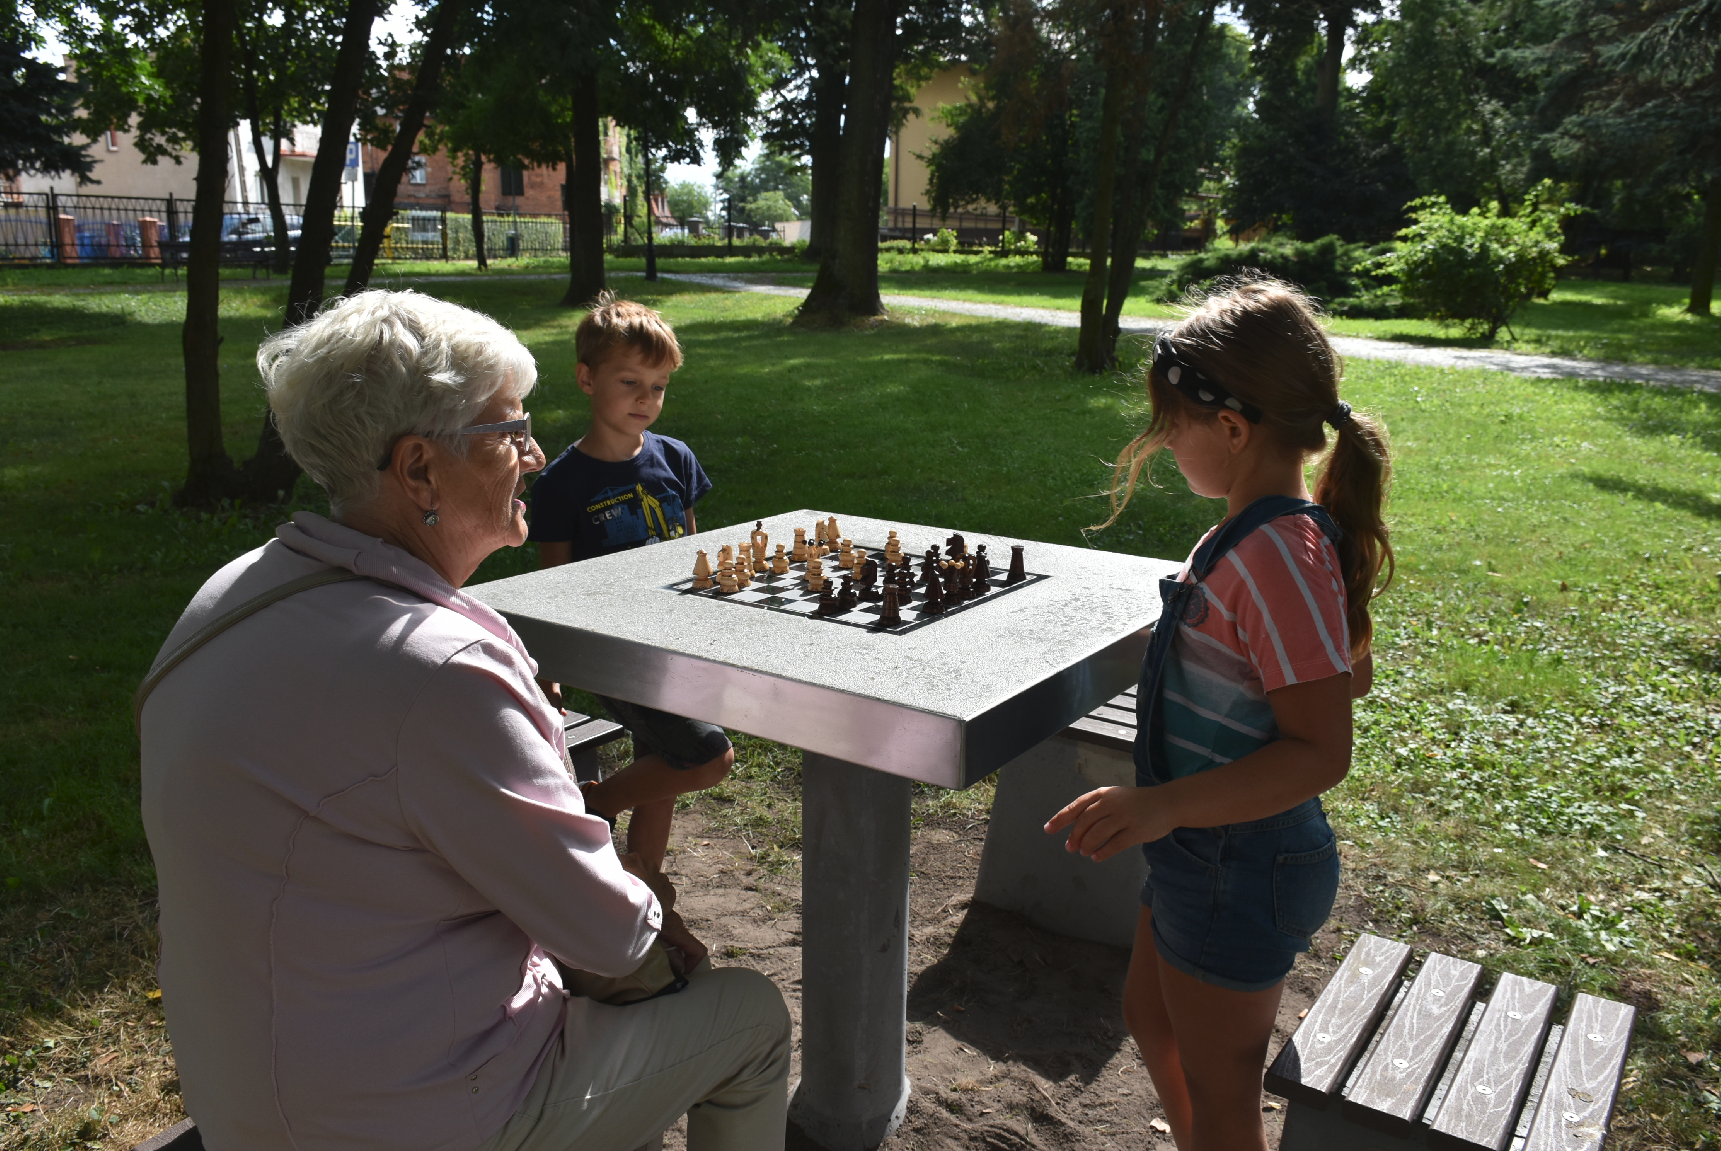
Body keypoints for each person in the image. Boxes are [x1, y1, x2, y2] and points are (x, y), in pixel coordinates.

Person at [138, 290, 790, 1151]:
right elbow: (608, 931)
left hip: (250, 1090)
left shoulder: (228, 596)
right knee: (748, 1016)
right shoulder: (439, 669)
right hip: (406, 1115)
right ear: (418, 470)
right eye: (510, 430)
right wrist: (648, 891)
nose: (533, 453)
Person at [1045, 279, 1394, 1151]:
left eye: (1172, 428)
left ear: (1231, 429)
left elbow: (1320, 747)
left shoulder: (1276, 550)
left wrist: (1158, 803)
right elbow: (1341, 675)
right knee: (1146, 1013)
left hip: (1241, 860)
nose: (1164, 445)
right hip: (1203, 844)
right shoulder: (1275, 532)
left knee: (1224, 1079)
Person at [528, 292, 733, 870]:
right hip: (613, 649)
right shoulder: (563, 482)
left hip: (673, 639)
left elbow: (694, 553)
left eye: (660, 385)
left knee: (661, 768)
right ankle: (592, 806)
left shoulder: (676, 458)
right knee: (706, 756)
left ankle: (644, 885)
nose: (647, 398)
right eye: (630, 382)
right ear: (586, 378)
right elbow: (554, 583)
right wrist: (554, 672)